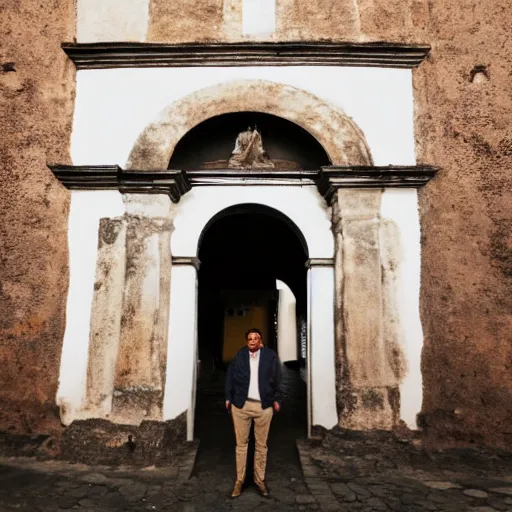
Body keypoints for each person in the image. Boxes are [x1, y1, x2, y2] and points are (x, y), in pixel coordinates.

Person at [225, 328, 282, 498]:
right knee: (241, 445)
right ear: (246, 341)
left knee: (261, 446)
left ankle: (259, 480)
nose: (252, 341)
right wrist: (228, 396)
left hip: (263, 407)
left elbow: (278, 377)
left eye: (256, 338)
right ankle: (239, 481)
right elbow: (230, 376)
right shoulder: (240, 356)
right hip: (241, 406)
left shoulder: (269, 356)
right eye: (249, 338)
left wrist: (277, 399)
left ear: (260, 341)